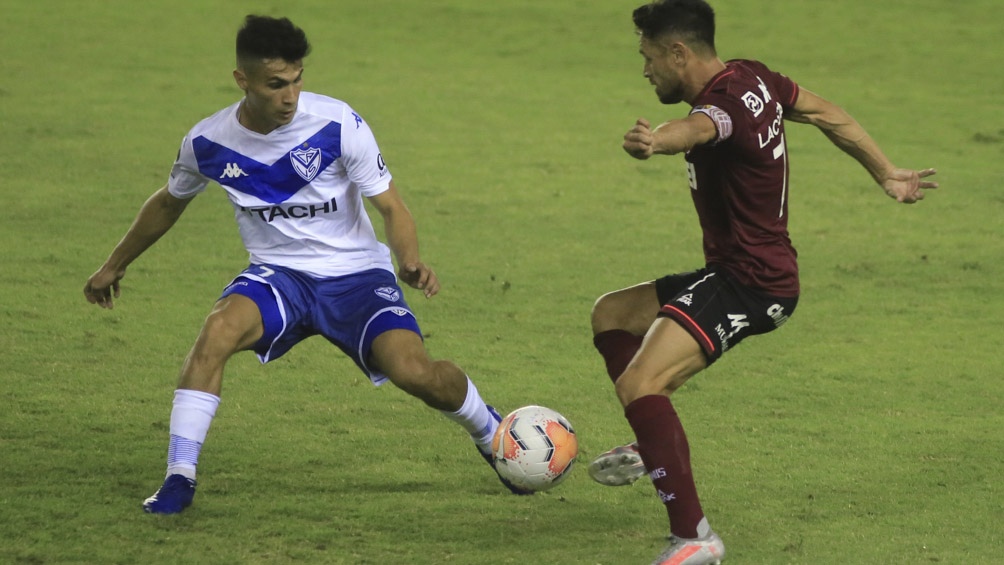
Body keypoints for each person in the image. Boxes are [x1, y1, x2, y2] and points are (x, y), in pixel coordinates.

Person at [83, 14, 530, 514]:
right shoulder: (208, 143)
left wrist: (409, 260)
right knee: (215, 333)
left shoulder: (338, 124)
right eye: (276, 85)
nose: (290, 96)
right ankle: (179, 477)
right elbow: (168, 202)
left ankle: (491, 434)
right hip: (280, 274)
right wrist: (113, 264)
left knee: (414, 372)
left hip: (357, 275)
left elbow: (391, 205)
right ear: (243, 81)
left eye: (297, 81)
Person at [585, 1, 937, 563]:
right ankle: (654, 443)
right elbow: (828, 114)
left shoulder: (723, 106)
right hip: (740, 269)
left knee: (641, 385)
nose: (645, 70)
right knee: (612, 314)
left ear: (678, 53)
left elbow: (698, 129)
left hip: (752, 281)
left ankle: (695, 538)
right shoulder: (753, 78)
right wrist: (885, 172)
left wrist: (658, 141)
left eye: (649, 58)